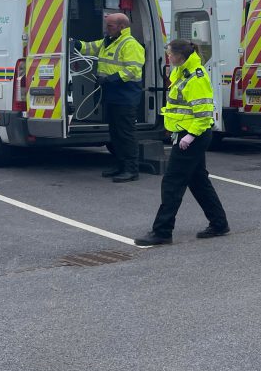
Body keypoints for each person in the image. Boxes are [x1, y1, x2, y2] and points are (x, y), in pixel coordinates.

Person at [135, 40, 229, 246]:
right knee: (198, 181)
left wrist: (190, 136)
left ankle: (162, 231)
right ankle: (219, 223)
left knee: (172, 182)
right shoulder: (182, 72)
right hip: (187, 134)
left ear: (180, 56)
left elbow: (203, 114)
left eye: (170, 54)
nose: (168, 57)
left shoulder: (195, 77)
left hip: (193, 136)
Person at [72, 13, 145, 183]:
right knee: (115, 134)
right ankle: (120, 165)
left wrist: (110, 79)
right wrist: (75, 43)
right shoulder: (108, 41)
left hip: (125, 96)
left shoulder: (130, 44)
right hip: (112, 95)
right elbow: (89, 47)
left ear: (121, 27)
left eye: (110, 25)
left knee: (126, 134)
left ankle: (131, 169)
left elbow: (132, 70)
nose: (107, 28)